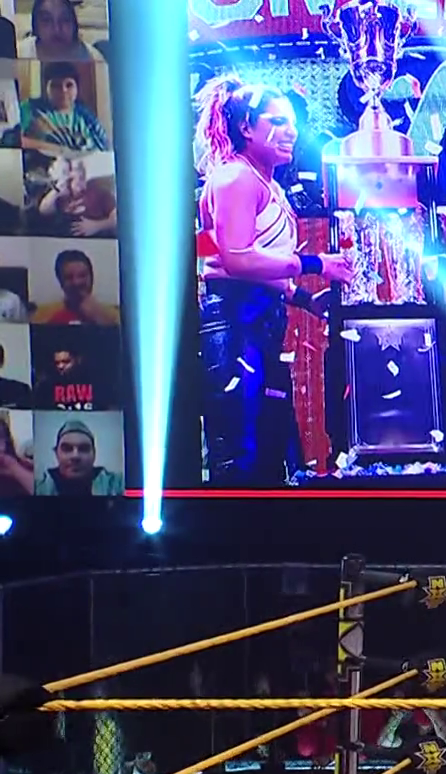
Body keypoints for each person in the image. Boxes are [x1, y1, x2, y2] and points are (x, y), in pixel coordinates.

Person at [194, 74, 349, 486]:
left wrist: (304, 299)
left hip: (259, 325)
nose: (290, 131)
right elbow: (237, 259)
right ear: (246, 127)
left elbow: (251, 261)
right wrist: (316, 264)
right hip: (233, 326)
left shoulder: (264, 182)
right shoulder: (236, 178)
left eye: (292, 122)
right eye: (277, 121)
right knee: (242, 456)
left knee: (273, 451)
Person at [33, 415, 120, 495]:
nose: (75, 456)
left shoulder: (115, 484)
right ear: (56, 453)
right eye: (67, 449)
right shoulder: (37, 487)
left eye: (84, 449)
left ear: (94, 454)